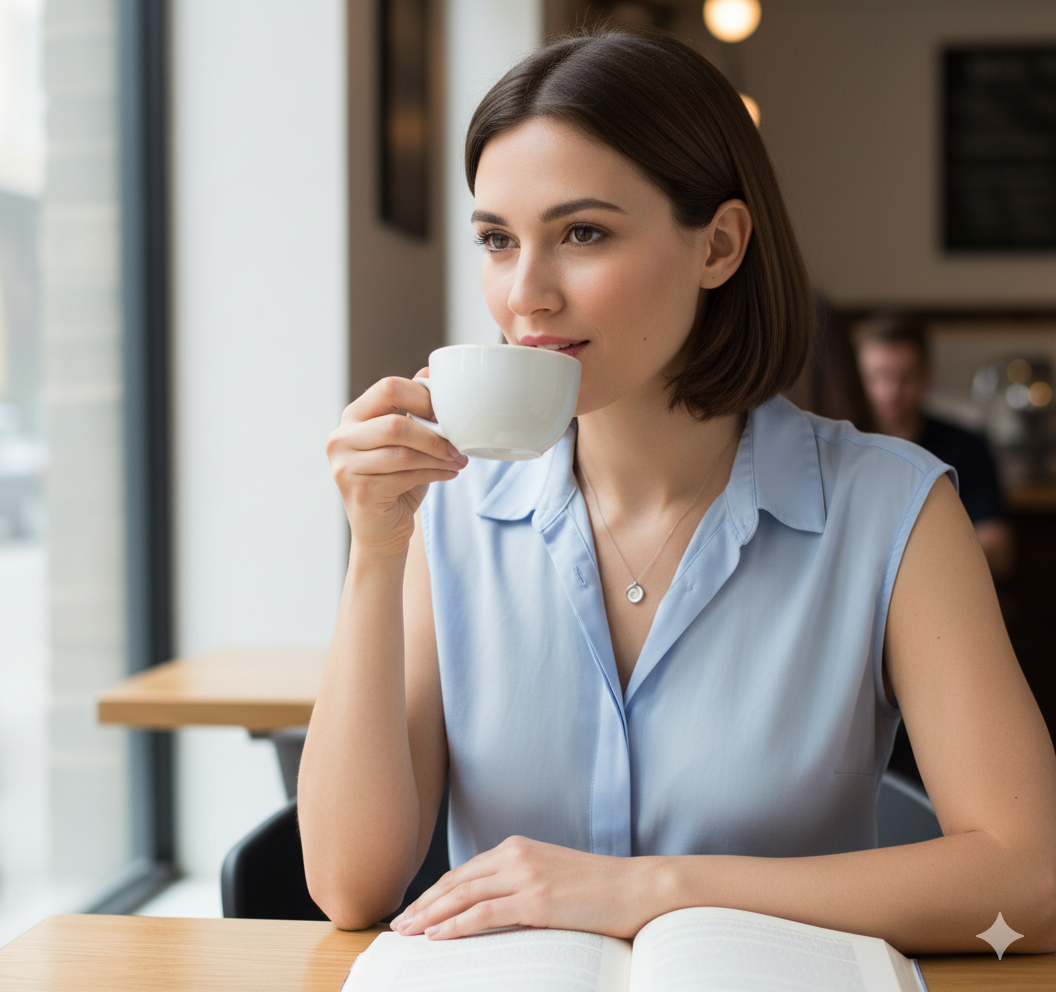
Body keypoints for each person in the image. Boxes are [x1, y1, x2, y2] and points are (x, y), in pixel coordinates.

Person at [298, 29, 1056, 954]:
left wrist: (647, 891)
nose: (524, 296)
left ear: (720, 245)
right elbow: (349, 885)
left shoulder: (892, 509)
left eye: (583, 233)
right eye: (498, 240)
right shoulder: (449, 510)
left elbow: (1033, 878)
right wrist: (374, 552)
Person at [855, 316, 1014, 579]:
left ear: (928, 376)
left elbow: (999, 549)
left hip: (943, 588)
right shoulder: (842, 448)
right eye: (878, 376)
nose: (890, 392)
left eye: (905, 378)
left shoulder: (966, 445)